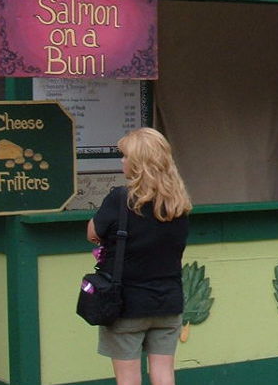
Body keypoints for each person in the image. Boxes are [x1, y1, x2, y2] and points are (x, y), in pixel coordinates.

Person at [86, 128, 192, 385]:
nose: (122, 161)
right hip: (167, 301)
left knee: (128, 379)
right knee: (164, 374)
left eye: (125, 156)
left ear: (138, 163)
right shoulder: (179, 204)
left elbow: (92, 233)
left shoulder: (119, 199)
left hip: (127, 303)